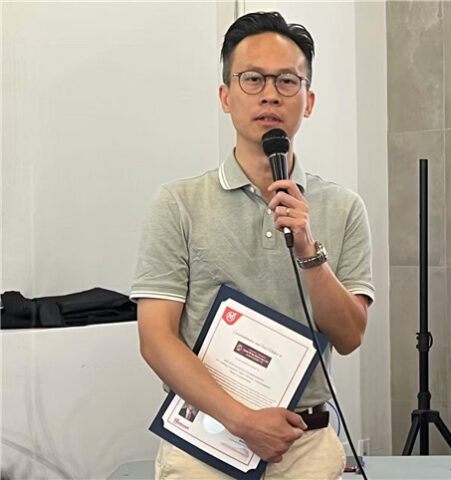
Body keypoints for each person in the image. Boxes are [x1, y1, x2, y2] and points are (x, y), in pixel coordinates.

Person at [130, 11, 375, 480]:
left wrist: (308, 251)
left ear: (309, 100)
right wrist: (241, 420)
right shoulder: (178, 203)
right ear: (226, 96)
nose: (270, 94)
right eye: (252, 79)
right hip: (204, 442)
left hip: (306, 445)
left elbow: (349, 336)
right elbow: (156, 339)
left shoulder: (344, 207)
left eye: (287, 81)